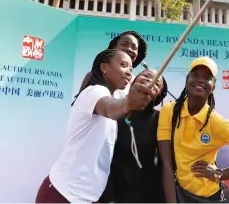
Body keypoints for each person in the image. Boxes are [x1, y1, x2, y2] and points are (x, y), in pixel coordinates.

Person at [35, 49, 157, 204]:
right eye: (123, 65)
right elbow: (109, 107)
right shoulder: (94, 91)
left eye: (131, 69)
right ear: (104, 67)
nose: (129, 73)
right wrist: (127, 103)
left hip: (88, 197)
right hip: (63, 194)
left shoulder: (114, 95)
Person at [157, 57, 229, 203]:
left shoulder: (218, 123)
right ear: (187, 80)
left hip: (209, 196)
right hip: (178, 193)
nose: (200, 80)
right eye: (195, 75)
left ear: (213, 87)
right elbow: (166, 163)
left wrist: (220, 174)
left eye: (207, 77)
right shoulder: (168, 111)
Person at [100, 69, 168, 203]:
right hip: (112, 191)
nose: (149, 81)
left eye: (156, 83)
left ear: (158, 95)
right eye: (145, 75)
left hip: (147, 193)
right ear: (134, 82)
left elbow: (164, 163)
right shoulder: (116, 109)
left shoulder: (160, 120)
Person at [79, 31, 147, 98]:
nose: (129, 49)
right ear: (114, 47)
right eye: (124, 44)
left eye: (134, 48)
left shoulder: (136, 82)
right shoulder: (95, 75)